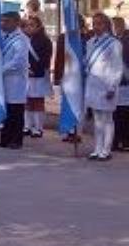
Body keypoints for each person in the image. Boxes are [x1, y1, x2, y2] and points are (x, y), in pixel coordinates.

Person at [85, 13, 123, 161]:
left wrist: (112, 87)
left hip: (107, 85)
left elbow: (117, 67)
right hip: (93, 85)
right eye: (94, 23)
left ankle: (106, 150)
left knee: (107, 118)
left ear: (106, 25)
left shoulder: (114, 44)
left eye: (99, 23)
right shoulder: (90, 42)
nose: (96, 27)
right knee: (97, 119)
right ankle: (97, 148)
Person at [54, 14, 91, 143]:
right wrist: (57, 75)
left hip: (80, 75)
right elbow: (59, 57)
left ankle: (77, 131)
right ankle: (68, 129)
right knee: (67, 103)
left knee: (79, 105)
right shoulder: (63, 38)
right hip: (66, 75)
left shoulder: (86, 38)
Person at [0, 11, 29, 149]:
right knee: (6, 110)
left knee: (16, 111)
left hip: (16, 80)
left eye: (7, 21)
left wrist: (1, 70)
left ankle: (16, 140)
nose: (3, 24)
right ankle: (5, 138)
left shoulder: (20, 39)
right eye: (2, 21)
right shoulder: (2, 37)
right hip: (4, 79)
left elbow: (18, 61)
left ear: (16, 22)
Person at [24, 16, 53, 138]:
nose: (29, 27)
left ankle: (38, 127)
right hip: (26, 74)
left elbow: (46, 59)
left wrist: (34, 69)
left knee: (37, 101)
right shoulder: (25, 39)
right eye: (27, 25)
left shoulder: (45, 40)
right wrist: (25, 69)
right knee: (27, 101)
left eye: (32, 25)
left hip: (39, 74)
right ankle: (27, 125)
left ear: (39, 26)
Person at [112, 16, 129, 151]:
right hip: (116, 81)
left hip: (124, 81)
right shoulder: (115, 40)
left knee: (123, 113)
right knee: (116, 113)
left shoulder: (125, 41)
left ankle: (123, 140)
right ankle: (117, 140)